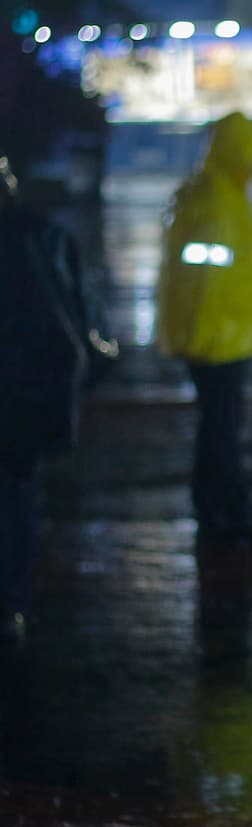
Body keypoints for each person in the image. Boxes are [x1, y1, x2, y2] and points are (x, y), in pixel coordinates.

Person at [0, 154, 115, 642]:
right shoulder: (43, 237)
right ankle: (10, 605)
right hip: (23, 400)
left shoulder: (43, 239)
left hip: (20, 396)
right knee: (18, 498)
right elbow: (82, 325)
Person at [156, 112, 252, 544]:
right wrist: (203, 335)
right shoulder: (217, 199)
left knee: (218, 427)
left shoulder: (217, 194)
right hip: (217, 339)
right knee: (222, 429)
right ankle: (228, 512)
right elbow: (206, 277)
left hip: (221, 333)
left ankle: (219, 509)